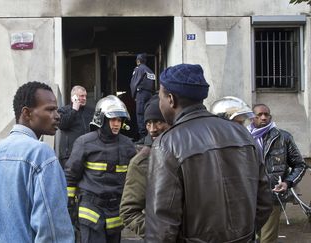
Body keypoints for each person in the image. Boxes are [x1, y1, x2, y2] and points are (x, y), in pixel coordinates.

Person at [145, 64, 273, 242]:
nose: (160, 104)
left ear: (171, 99)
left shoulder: (167, 144)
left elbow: (161, 228)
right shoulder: (243, 134)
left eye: (160, 98)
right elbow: (265, 201)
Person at [0, 81, 74, 243]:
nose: (57, 115)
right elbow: (52, 226)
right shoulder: (41, 154)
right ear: (27, 113)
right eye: (50, 109)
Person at [65, 95, 136, 243]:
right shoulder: (85, 142)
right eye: (113, 119)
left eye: (119, 120)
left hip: (115, 212)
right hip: (91, 209)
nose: (117, 124)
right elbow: (71, 175)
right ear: (101, 119)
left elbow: (133, 179)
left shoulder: (128, 145)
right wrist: (69, 203)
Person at [248, 104, 307, 243]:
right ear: (252, 117)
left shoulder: (283, 137)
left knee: (267, 239)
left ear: (270, 117)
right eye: (259, 114)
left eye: (266, 114)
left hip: (272, 196)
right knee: (249, 237)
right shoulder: (243, 137)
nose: (263, 117)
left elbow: (300, 165)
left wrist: (287, 183)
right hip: (247, 197)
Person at [120, 95, 170, 238]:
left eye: (158, 122)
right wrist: (160, 235)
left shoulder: (184, 150)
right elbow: (128, 212)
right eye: (148, 123)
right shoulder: (142, 161)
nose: (152, 129)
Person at [58, 85, 94, 167]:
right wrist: (74, 110)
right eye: (81, 96)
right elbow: (62, 125)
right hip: (69, 155)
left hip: (87, 152)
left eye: (85, 96)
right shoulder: (63, 110)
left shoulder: (91, 111)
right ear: (73, 97)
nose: (84, 98)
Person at [130, 53, 156, 140]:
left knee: (140, 114)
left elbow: (134, 83)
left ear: (138, 61)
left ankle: (143, 138)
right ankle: (150, 136)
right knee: (148, 114)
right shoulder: (150, 71)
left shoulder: (138, 69)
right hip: (150, 95)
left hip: (141, 94)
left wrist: (133, 95)